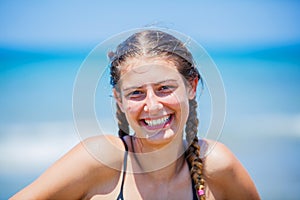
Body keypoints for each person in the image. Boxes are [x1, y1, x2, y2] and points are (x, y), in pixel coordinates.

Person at [10, 29, 260, 200]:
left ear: (191, 87)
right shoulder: (101, 161)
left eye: (164, 88)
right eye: (137, 93)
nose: (152, 106)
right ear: (119, 100)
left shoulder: (216, 165)